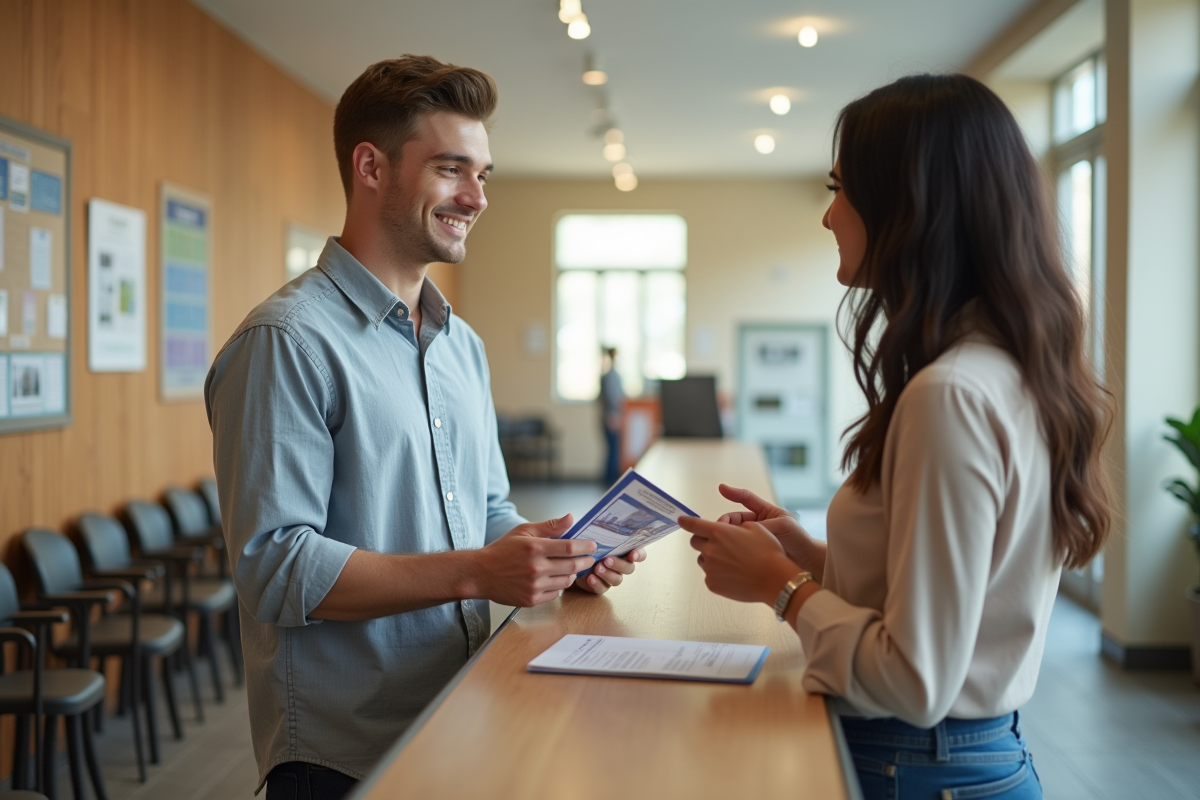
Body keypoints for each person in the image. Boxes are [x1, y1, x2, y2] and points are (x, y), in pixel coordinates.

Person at [206, 56, 645, 800]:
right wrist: (478, 570)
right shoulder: (286, 341)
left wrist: (555, 552)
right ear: (372, 167)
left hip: (467, 710)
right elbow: (276, 568)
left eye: (484, 174)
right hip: (344, 755)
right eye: (451, 170)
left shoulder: (460, 346)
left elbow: (487, 510)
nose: (476, 197)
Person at [679, 73, 1111, 800]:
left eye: (839, 189)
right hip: (960, 760)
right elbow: (949, 601)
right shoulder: (1005, 370)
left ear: (908, 206)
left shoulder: (949, 395)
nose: (828, 217)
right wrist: (811, 555)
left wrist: (779, 586)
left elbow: (915, 679)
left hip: (913, 765)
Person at [599, 346, 625, 484]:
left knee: (613, 450)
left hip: (610, 417)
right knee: (613, 451)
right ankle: (610, 481)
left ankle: (610, 480)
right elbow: (612, 398)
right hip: (611, 418)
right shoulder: (610, 375)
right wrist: (615, 415)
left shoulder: (608, 374)